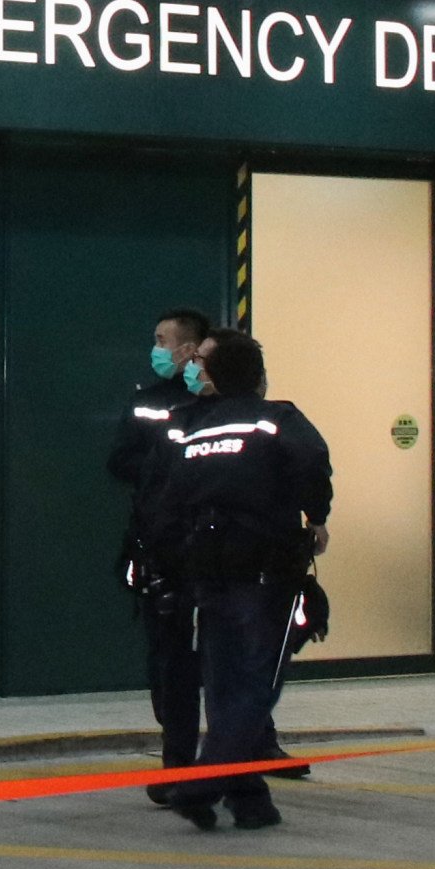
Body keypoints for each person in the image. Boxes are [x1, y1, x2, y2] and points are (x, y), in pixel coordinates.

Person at [147, 328, 333, 832]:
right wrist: (317, 517)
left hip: (206, 572)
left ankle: (250, 800)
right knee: (255, 687)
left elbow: (165, 502)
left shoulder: (192, 428)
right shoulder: (277, 420)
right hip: (263, 571)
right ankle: (202, 783)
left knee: (225, 685)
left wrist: (167, 565)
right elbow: (312, 461)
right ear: (260, 376)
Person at [105, 306, 214, 804]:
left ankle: (247, 751)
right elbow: (118, 461)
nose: (156, 348)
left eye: (163, 339)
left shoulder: (219, 403)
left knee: (225, 657)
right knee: (166, 658)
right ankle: (178, 756)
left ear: (191, 349)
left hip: (213, 547)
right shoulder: (146, 401)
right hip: (158, 544)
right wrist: (161, 466)